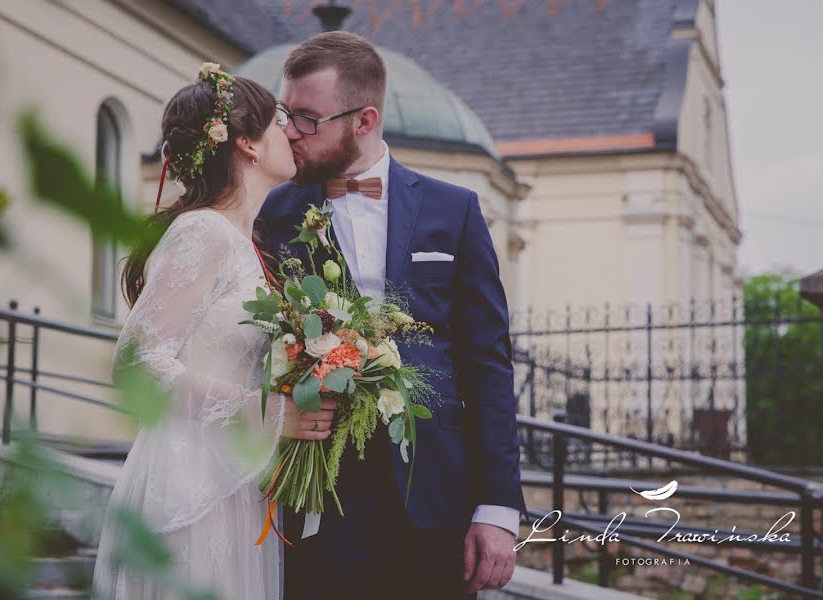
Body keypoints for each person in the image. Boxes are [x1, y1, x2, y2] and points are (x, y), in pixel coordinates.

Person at [259, 32, 527, 600]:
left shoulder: (454, 210)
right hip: (319, 498)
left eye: (307, 118)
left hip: (437, 495)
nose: (289, 132)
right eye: (286, 114)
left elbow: (488, 363)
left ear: (365, 119)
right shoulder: (273, 215)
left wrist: (499, 505)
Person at [92, 65, 335, 599]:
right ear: (247, 144)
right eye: (280, 122)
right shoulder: (203, 231)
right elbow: (136, 360)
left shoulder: (244, 245)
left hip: (232, 477)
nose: (291, 133)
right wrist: (261, 411)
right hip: (187, 483)